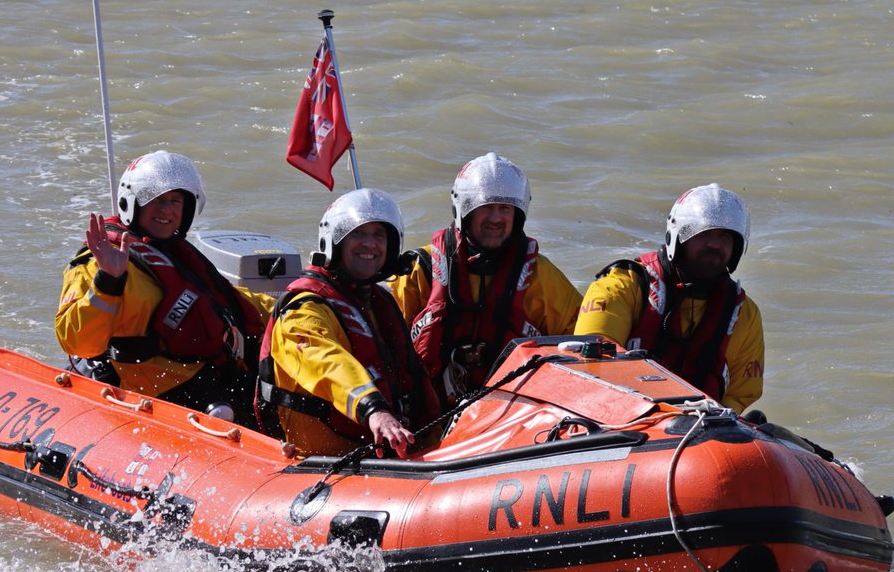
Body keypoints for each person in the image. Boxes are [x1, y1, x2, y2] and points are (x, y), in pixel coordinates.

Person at [56, 150, 274, 427]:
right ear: (133, 203)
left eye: (175, 201)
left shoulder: (175, 254)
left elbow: (226, 298)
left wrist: (288, 306)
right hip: (152, 390)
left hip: (205, 372)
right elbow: (77, 342)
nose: (167, 210)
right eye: (156, 200)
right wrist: (109, 279)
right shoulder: (99, 261)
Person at [257, 188, 440, 458]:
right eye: (358, 233)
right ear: (335, 241)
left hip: (386, 451)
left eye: (379, 235)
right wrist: (374, 411)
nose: (370, 244)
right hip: (322, 459)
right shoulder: (303, 310)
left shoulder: (377, 303)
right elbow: (328, 362)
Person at [390, 152, 582, 407]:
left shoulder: (540, 274)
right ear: (464, 211)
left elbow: (581, 343)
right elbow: (385, 343)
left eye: (504, 208)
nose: (495, 218)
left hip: (512, 413)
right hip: (428, 412)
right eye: (485, 207)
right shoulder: (420, 270)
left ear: (518, 215)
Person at [574, 183, 764, 413]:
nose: (714, 244)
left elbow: (742, 394)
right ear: (678, 237)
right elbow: (592, 363)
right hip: (618, 417)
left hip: (702, 430)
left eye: (724, 237)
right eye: (703, 233)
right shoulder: (622, 285)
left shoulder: (745, 313)